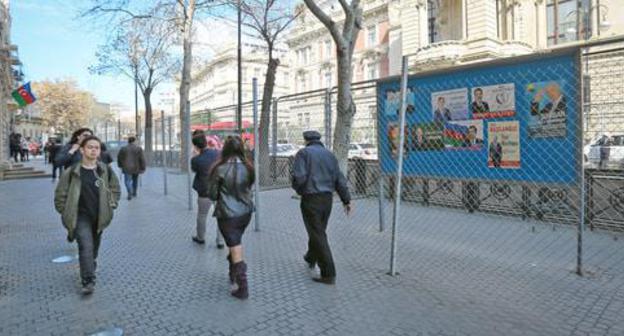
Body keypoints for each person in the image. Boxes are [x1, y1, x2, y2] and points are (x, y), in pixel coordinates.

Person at [54, 135, 121, 295]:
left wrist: (112, 205)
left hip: (99, 216)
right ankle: (88, 280)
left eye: (96, 148)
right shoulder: (72, 172)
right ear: (83, 150)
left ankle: (91, 263)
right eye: (90, 147)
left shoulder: (104, 170)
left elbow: (115, 189)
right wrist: (66, 212)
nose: (93, 150)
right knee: (85, 246)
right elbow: (60, 195)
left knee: (94, 247)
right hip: (79, 216)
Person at [291, 130, 352, 285]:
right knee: (318, 230)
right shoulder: (330, 155)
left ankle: (328, 273)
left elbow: (299, 177)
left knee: (317, 233)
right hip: (327, 199)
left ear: (306, 140)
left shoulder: (303, 154)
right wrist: (346, 200)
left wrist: (300, 190)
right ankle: (311, 257)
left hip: (311, 198)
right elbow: (339, 179)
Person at [207, 135, 255, 299]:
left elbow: (212, 194)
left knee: (235, 247)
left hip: (228, 215)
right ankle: (233, 272)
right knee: (235, 244)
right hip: (245, 213)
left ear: (225, 149)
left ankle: (243, 287)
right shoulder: (249, 167)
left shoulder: (219, 168)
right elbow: (249, 187)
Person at [190, 134, 224, 248]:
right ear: (206, 142)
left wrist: (195, 155)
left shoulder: (196, 160)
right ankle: (220, 241)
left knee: (202, 215)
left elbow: (194, 170)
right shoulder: (218, 154)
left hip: (204, 191)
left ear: (195, 146)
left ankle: (200, 238)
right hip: (219, 190)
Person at [117, 136, 146, 200]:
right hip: (136, 167)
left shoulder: (123, 148)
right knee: (135, 180)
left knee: (127, 181)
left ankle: (129, 191)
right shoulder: (138, 149)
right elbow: (142, 159)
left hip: (127, 167)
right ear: (134, 141)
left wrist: (120, 165)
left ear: (128, 141)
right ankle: (134, 192)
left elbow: (119, 157)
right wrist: (143, 167)